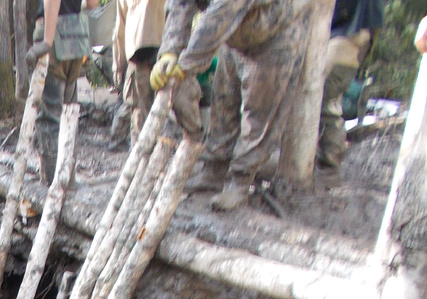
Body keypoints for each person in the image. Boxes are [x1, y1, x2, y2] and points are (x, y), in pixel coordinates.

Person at [150, 0, 309, 211]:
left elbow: (219, 14)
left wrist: (186, 64)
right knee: (223, 104)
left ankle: (241, 182)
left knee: (258, 118)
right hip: (235, 37)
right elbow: (180, 3)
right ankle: (213, 171)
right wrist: (170, 50)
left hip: (274, 38)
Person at [25, 0, 100, 183]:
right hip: (76, 34)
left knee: (50, 115)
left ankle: (52, 183)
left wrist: (47, 42)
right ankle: (69, 178)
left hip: (54, 35)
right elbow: (92, 4)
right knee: (68, 113)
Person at [318, 0, 383, 169]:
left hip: (349, 34)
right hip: (346, 31)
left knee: (324, 100)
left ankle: (328, 167)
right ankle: (323, 165)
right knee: (322, 100)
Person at [112, 0, 165, 148]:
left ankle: (139, 152)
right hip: (164, 49)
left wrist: (118, 66)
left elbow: (119, 30)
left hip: (139, 51)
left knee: (138, 110)